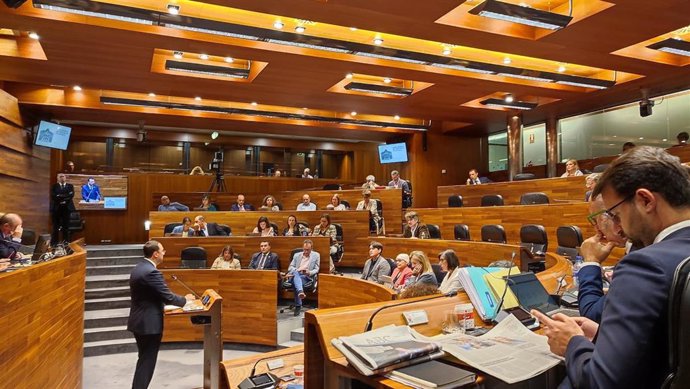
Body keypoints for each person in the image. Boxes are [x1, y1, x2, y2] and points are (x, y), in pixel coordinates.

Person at [531, 146, 690, 389]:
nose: (618, 226)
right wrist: (602, 334)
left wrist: (572, 342)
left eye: (615, 214)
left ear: (645, 200)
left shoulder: (645, 264)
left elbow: (600, 383)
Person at [127, 240, 194, 389]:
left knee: (144, 359)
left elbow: (150, 295)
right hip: (148, 325)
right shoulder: (151, 272)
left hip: (139, 321)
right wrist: (185, 300)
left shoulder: (139, 267)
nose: (164, 253)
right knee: (147, 362)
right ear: (155, 254)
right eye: (162, 251)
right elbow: (168, 296)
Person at [579, 194, 632, 323]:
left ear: (606, 218)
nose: (596, 228)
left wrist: (591, 261)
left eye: (594, 220)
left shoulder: (639, 260)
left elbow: (591, 315)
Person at [284, 239, 320, 316]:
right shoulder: (297, 255)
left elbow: (316, 269)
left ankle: (298, 305)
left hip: (306, 276)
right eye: (304, 249)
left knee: (296, 281)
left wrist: (309, 272)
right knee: (296, 274)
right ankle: (300, 292)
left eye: (308, 250)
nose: (306, 251)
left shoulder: (316, 255)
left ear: (311, 249)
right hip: (295, 274)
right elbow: (290, 267)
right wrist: (297, 270)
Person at [51, 173, 75, 245]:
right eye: (60, 177)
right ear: (57, 178)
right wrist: (64, 196)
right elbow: (54, 196)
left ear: (65, 178)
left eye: (63, 176)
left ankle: (66, 242)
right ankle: (55, 242)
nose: (62, 178)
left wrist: (60, 196)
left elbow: (71, 195)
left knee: (66, 226)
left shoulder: (70, 186)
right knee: (56, 226)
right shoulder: (54, 186)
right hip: (57, 208)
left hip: (67, 208)